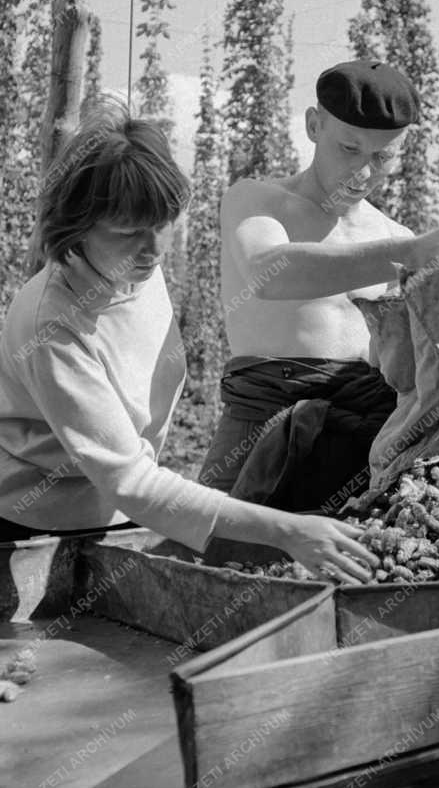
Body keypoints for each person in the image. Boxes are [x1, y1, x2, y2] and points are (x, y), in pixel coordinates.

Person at [0, 99, 377, 584]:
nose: (154, 250)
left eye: (162, 225)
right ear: (74, 227)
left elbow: (133, 480)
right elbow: (129, 479)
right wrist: (286, 530)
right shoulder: (51, 324)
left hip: (121, 515)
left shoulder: (134, 268)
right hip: (30, 527)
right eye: (129, 232)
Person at [198, 59, 439, 504]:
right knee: (218, 556)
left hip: (364, 436)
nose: (362, 173)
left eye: (382, 157)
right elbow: (268, 273)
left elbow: (403, 363)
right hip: (260, 426)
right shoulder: (258, 201)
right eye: (349, 150)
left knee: (365, 563)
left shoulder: (396, 236)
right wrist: (411, 256)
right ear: (314, 125)